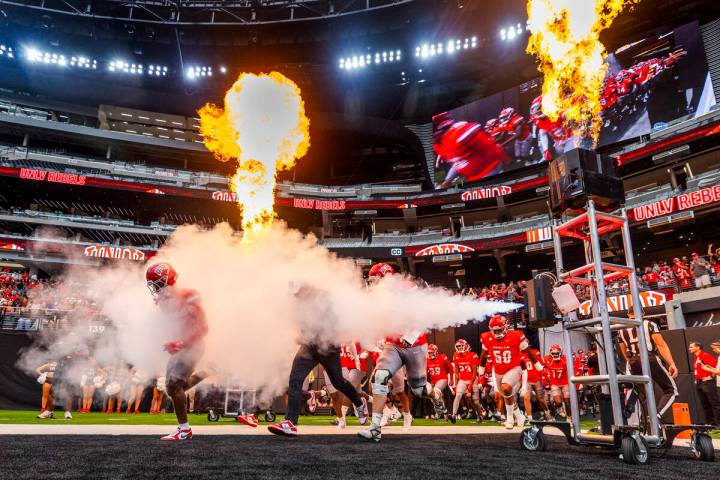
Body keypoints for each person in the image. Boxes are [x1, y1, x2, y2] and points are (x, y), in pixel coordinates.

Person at [268, 283, 369, 437]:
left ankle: (358, 402)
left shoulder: (324, 299)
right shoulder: (299, 304)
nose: (295, 298)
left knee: (338, 382)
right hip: (309, 347)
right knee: (295, 380)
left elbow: (336, 324)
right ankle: (290, 423)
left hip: (328, 347)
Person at [358, 263, 437, 442]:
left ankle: (436, 396)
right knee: (379, 377)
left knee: (419, 390)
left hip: (415, 345)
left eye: (376, 281)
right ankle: (375, 429)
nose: (373, 285)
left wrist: (413, 333)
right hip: (393, 344)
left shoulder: (408, 289)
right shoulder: (378, 298)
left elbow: (427, 313)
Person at [146, 262, 209, 441]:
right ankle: (208, 371)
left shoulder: (189, 296)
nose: (155, 289)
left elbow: (204, 328)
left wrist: (181, 342)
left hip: (193, 345)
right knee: (172, 388)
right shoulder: (166, 302)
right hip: (183, 346)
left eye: (157, 284)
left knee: (174, 385)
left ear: (167, 280)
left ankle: (184, 429)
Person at [478, 314, 543, 429]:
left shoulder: (516, 336)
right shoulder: (486, 337)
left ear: (506, 327)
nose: (497, 333)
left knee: (506, 388)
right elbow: (483, 355)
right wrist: (481, 368)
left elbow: (528, 352)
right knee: (507, 395)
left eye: (499, 330)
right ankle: (519, 416)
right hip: (498, 370)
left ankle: (510, 418)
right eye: (494, 331)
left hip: (514, 368)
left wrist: (536, 364)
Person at [617, 311, 678, 422]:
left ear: (628, 314)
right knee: (671, 390)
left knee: (644, 394)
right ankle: (656, 416)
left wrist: (631, 360)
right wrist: (671, 363)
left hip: (633, 361)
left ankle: (645, 421)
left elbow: (624, 351)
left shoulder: (621, 329)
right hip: (649, 358)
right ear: (643, 312)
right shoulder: (648, 324)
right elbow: (661, 344)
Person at [450, 339, 483, 423]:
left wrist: (470, 385)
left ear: (466, 346)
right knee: (458, 395)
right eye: (458, 346)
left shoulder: (472, 355)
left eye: (461, 346)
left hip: (472, 379)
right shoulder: (455, 355)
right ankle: (453, 415)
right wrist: (456, 385)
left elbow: (474, 372)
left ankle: (480, 415)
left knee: (475, 401)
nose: (460, 348)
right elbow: (457, 372)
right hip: (462, 380)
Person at [689, 341, 720, 425]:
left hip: (708, 382)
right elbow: (697, 370)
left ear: (698, 347)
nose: (689, 349)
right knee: (705, 404)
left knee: (714, 404)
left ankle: (718, 425)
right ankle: (710, 424)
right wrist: (697, 379)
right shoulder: (696, 357)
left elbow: (716, 369)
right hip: (699, 383)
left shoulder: (706, 356)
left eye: (691, 347)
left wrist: (710, 376)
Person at [520, 348, 552, 421]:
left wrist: (544, 377)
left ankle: (547, 413)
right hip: (527, 379)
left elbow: (541, 365)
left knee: (540, 399)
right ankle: (530, 418)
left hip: (537, 378)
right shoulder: (519, 353)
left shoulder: (535, 352)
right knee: (526, 398)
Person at [544, 344, 571, 421]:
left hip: (565, 382)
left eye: (557, 353)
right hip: (554, 383)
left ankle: (569, 417)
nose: (555, 355)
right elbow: (542, 367)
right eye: (553, 353)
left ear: (560, 353)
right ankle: (560, 408)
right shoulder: (547, 359)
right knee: (558, 402)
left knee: (567, 401)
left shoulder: (564, 359)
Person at [426, 344, 452, 417]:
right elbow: (425, 372)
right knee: (435, 397)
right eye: (429, 352)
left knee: (443, 395)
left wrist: (451, 379)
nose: (430, 354)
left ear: (435, 351)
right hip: (433, 381)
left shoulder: (442, 357)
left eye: (431, 352)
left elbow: (450, 368)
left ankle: (447, 412)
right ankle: (442, 412)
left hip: (442, 380)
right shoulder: (427, 360)